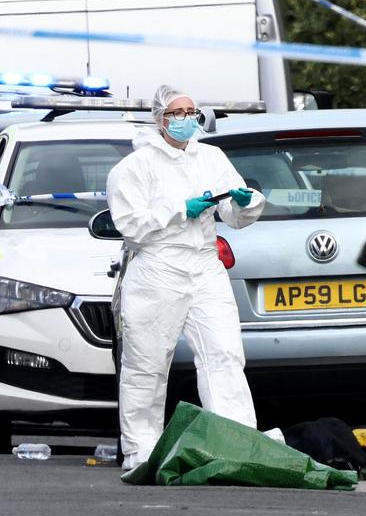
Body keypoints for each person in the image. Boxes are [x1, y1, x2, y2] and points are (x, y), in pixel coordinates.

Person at [106, 84, 266, 471]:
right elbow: (131, 226)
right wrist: (180, 210)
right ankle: (141, 451)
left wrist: (246, 202)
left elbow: (234, 211)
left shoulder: (210, 157)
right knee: (147, 362)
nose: (184, 120)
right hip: (158, 267)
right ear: (159, 119)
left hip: (205, 263)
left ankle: (236, 444)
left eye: (191, 112)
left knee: (224, 354)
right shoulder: (135, 167)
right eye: (176, 113)